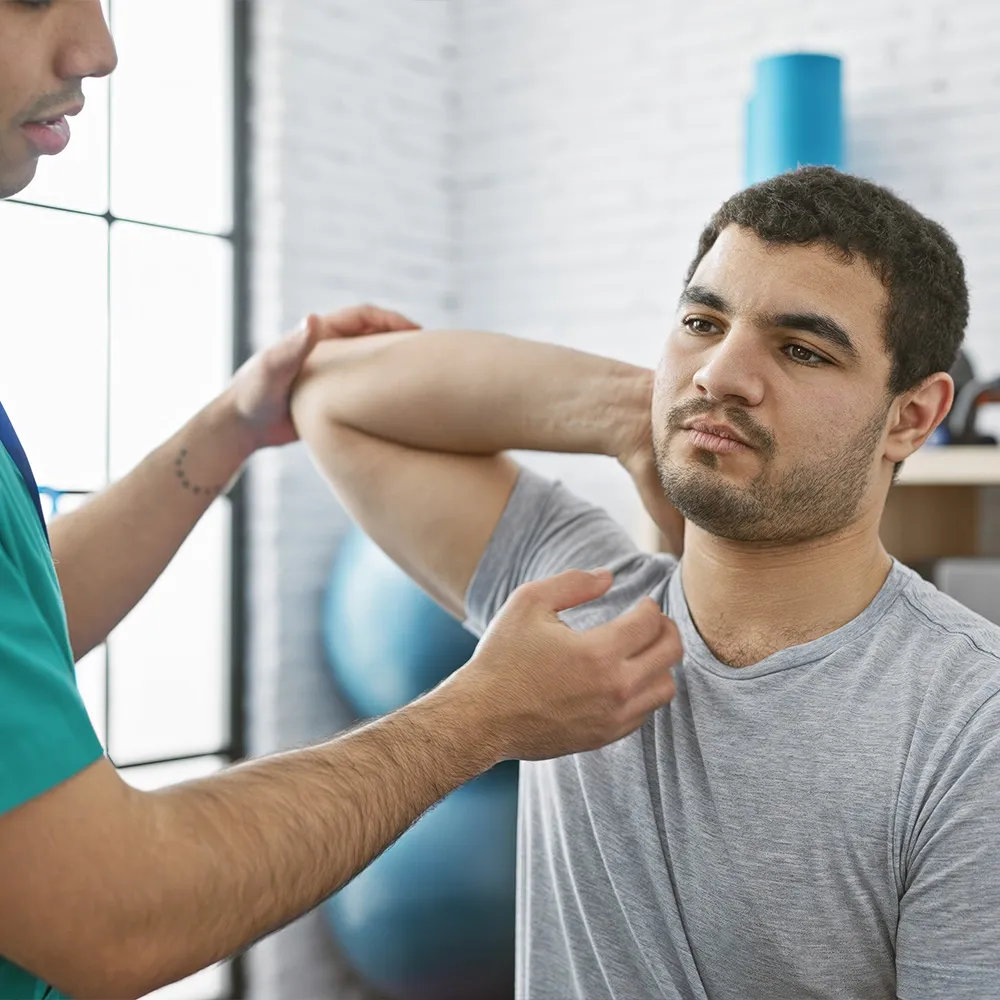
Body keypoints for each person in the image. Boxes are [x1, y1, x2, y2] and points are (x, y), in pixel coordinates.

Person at [0, 3, 682, 997]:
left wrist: (234, 419)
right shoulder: (606, 581)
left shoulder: (949, 697)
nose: (98, 50)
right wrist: (480, 712)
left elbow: (29, 611)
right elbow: (112, 913)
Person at [292, 166, 1000, 1000]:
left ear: (912, 417)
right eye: (703, 322)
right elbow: (332, 392)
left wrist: (697, 405)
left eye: (802, 349)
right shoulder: (575, 599)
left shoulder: (972, 724)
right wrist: (635, 412)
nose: (722, 374)